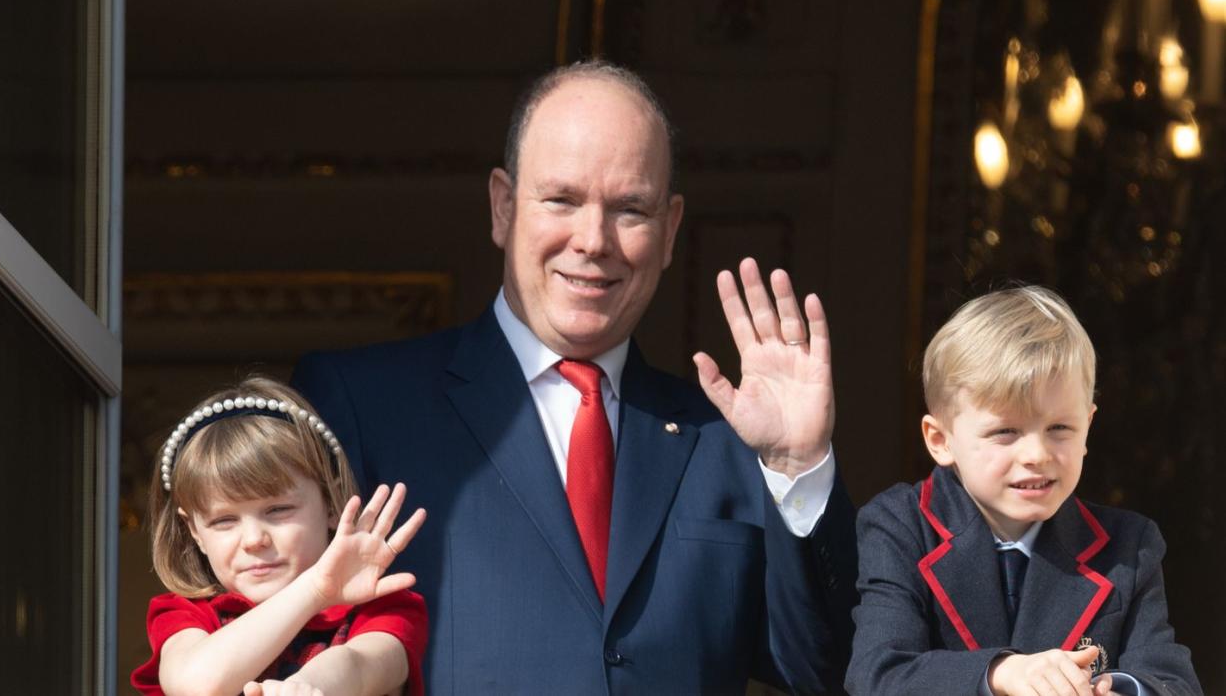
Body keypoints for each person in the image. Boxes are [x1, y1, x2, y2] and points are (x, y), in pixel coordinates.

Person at [291, 60, 857, 693]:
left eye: (630, 210)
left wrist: (796, 465)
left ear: (670, 232)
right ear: (503, 207)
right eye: (561, 199)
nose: (593, 240)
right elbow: (278, 634)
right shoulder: (363, 406)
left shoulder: (728, 439)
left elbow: (823, 668)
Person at [846, 286, 1201, 696]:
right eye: (1005, 432)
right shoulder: (900, 525)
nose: (1036, 454)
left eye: (1059, 429)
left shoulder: (1129, 546)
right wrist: (1000, 673)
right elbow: (878, 674)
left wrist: (1117, 690)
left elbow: (1173, 682)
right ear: (940, 440)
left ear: (1088, 426)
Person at [132, 376, 429, 696]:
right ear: (195, 532)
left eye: (277, 510)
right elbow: (198, 684)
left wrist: (305, 688)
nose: (254, 539)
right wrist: (315, 589)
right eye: (224, 520)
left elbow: (355, 664)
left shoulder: (383, 607)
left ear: (331, 503)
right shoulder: (186, 614)